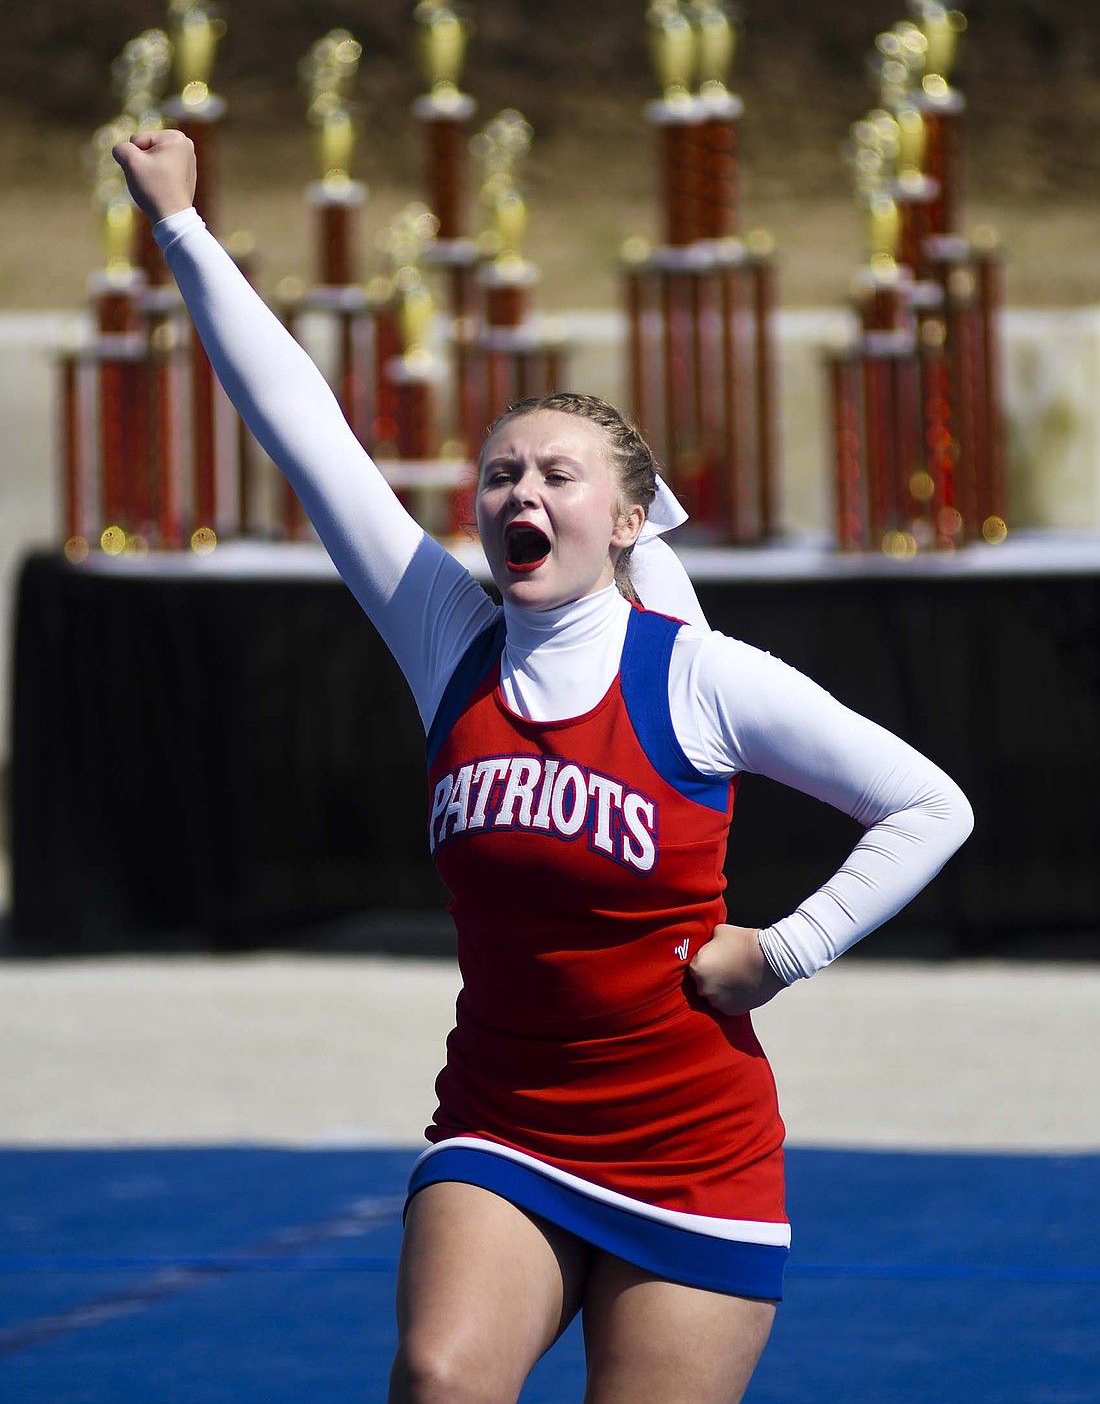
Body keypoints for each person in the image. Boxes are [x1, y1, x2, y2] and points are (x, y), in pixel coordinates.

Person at [114, 129, 974, 1404]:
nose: (520, 487)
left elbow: (928, 803)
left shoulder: (693, 673)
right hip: (504, 1123)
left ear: (626, 520)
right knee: (439, 1377)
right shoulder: (446, 640)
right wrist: (181, 225)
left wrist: (782, 950)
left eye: (556, 473)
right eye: (500, 471)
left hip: (691, 1147)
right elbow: (307, 432)